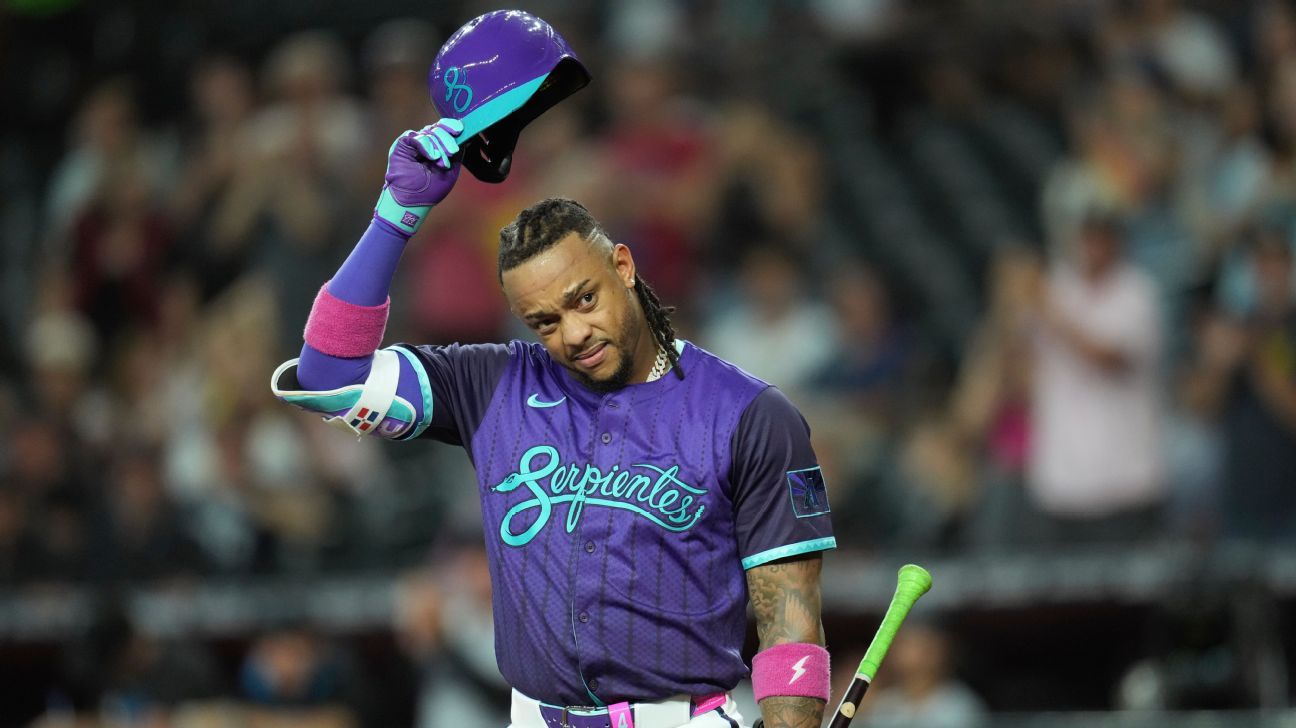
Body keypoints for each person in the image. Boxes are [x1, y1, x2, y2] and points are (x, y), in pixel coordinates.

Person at [270, 12, 835, 728]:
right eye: (543, 321)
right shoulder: (492, 384)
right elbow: (327, 376)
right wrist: (396, 213)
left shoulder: (750, 415)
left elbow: (789, 619)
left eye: (583, 299)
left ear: (623, 266)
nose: (573, 333)